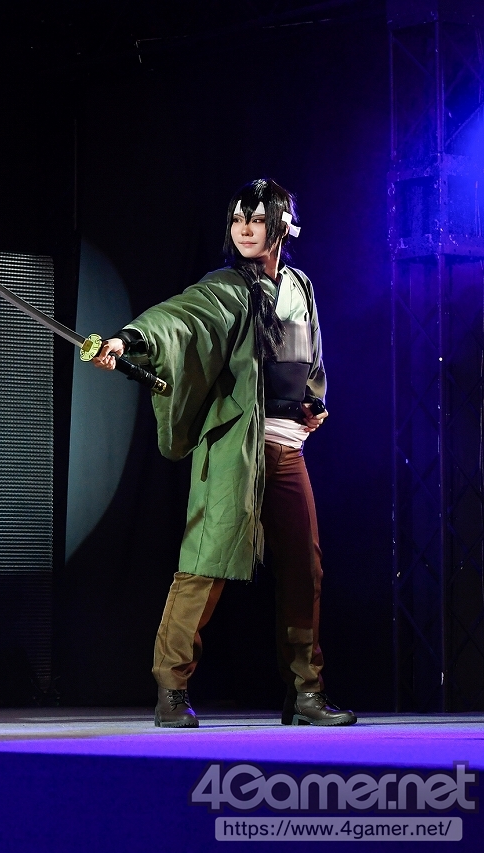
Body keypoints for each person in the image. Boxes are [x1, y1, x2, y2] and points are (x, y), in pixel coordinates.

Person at [89, 179, 356, 728]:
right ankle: (171, 689)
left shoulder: (300, 287)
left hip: (288, 448)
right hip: (237, 446)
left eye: (256, 219)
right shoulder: (226, 289)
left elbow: (310, 362)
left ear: (282, 226)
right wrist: (127, 341)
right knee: (206, 563)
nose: (245, 229)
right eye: (238, 219)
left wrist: (313, 404)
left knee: (304, 569)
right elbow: (178, 319)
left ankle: (305, 692)